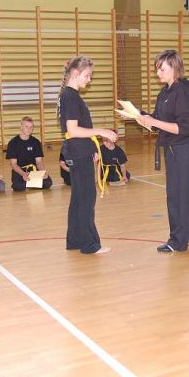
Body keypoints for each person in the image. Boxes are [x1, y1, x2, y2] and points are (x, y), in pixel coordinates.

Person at [138, 49, 189, 253]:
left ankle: (178, 241)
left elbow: (184, 127)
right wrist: (142, 117)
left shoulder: (183, 93)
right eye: (157, 69)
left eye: (162, 69)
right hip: (171, 149)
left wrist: (154, 122)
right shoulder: (164, 93)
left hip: (184, 149)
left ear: (175, 68)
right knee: (184, 192)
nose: (158, 73)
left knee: (177, 195)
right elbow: (159, 121)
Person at [58, 55, 117, 254]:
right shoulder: (71, 97)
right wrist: (102, 131)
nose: (89, 80)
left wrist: (92, 149)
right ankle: (90, 244)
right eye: (87, 76)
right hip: (77, 152)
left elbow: (78, 129)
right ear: (75, 73)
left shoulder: (68, 95)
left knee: (78, 197)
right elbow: (73, 130)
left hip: (79, 151)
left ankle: (74, 240)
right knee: (86, 199)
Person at [5, 116, 53, 191]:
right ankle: (32, 184)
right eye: (26, 127)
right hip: (19, 170)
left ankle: (30, 183)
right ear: (21, 127)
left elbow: (39, 162)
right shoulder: (13, 143)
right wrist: (23, 174)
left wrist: (43, 172)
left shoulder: (36, 142)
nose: (29, 129)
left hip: (33, 170)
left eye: (31, 127)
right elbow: (13, 164)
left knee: (48, 183)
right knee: (18, 187)